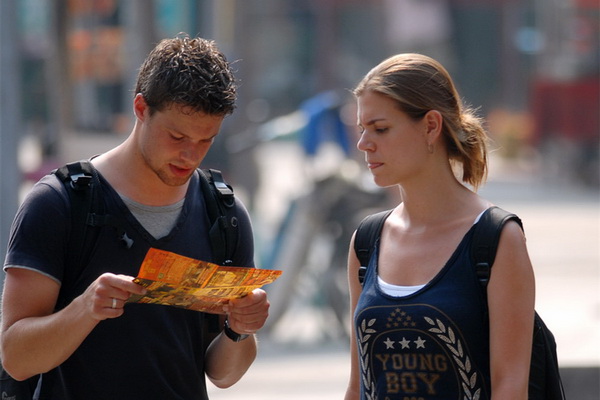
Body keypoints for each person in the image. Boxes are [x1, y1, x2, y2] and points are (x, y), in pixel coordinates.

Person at [1, 35, 270, 399]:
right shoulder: (60, 203)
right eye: (176, 136)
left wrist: (240, 330)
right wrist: (85, 308)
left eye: (206, 140)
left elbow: (220, 375)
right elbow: (15, 357)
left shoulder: (222, 214)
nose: (190, 155)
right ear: (141, 108)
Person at [344, 54, 535, 399]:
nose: (364, 144)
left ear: (431, 126)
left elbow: (510, 386)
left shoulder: (495, 238)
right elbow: (358, 384)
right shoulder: (366, 241)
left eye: (380, 129)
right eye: (362, 130)